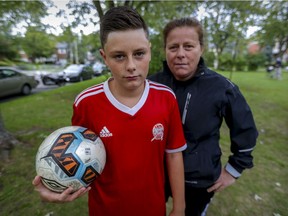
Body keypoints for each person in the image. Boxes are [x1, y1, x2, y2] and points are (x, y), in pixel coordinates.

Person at [32, 6, 187, 216]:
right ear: (104, 57)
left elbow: (173, 156)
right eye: (119, 56)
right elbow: (71, 153)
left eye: (139, 53)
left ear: (150, 51)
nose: (131, 65)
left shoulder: (166, 98)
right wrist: (53, 187)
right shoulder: (86, 103)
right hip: (104, 210)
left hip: (153, 208)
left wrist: (179, 207)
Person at [149, 17, 258, 216]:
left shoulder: (222, 88)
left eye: (188, 46)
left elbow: (246, 131)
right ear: (165, 50)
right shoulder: (151, 85)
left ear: (202, 48)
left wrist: (233, 170)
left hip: (198, 180)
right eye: (173, 47)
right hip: (157, 174)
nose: (180, 54)